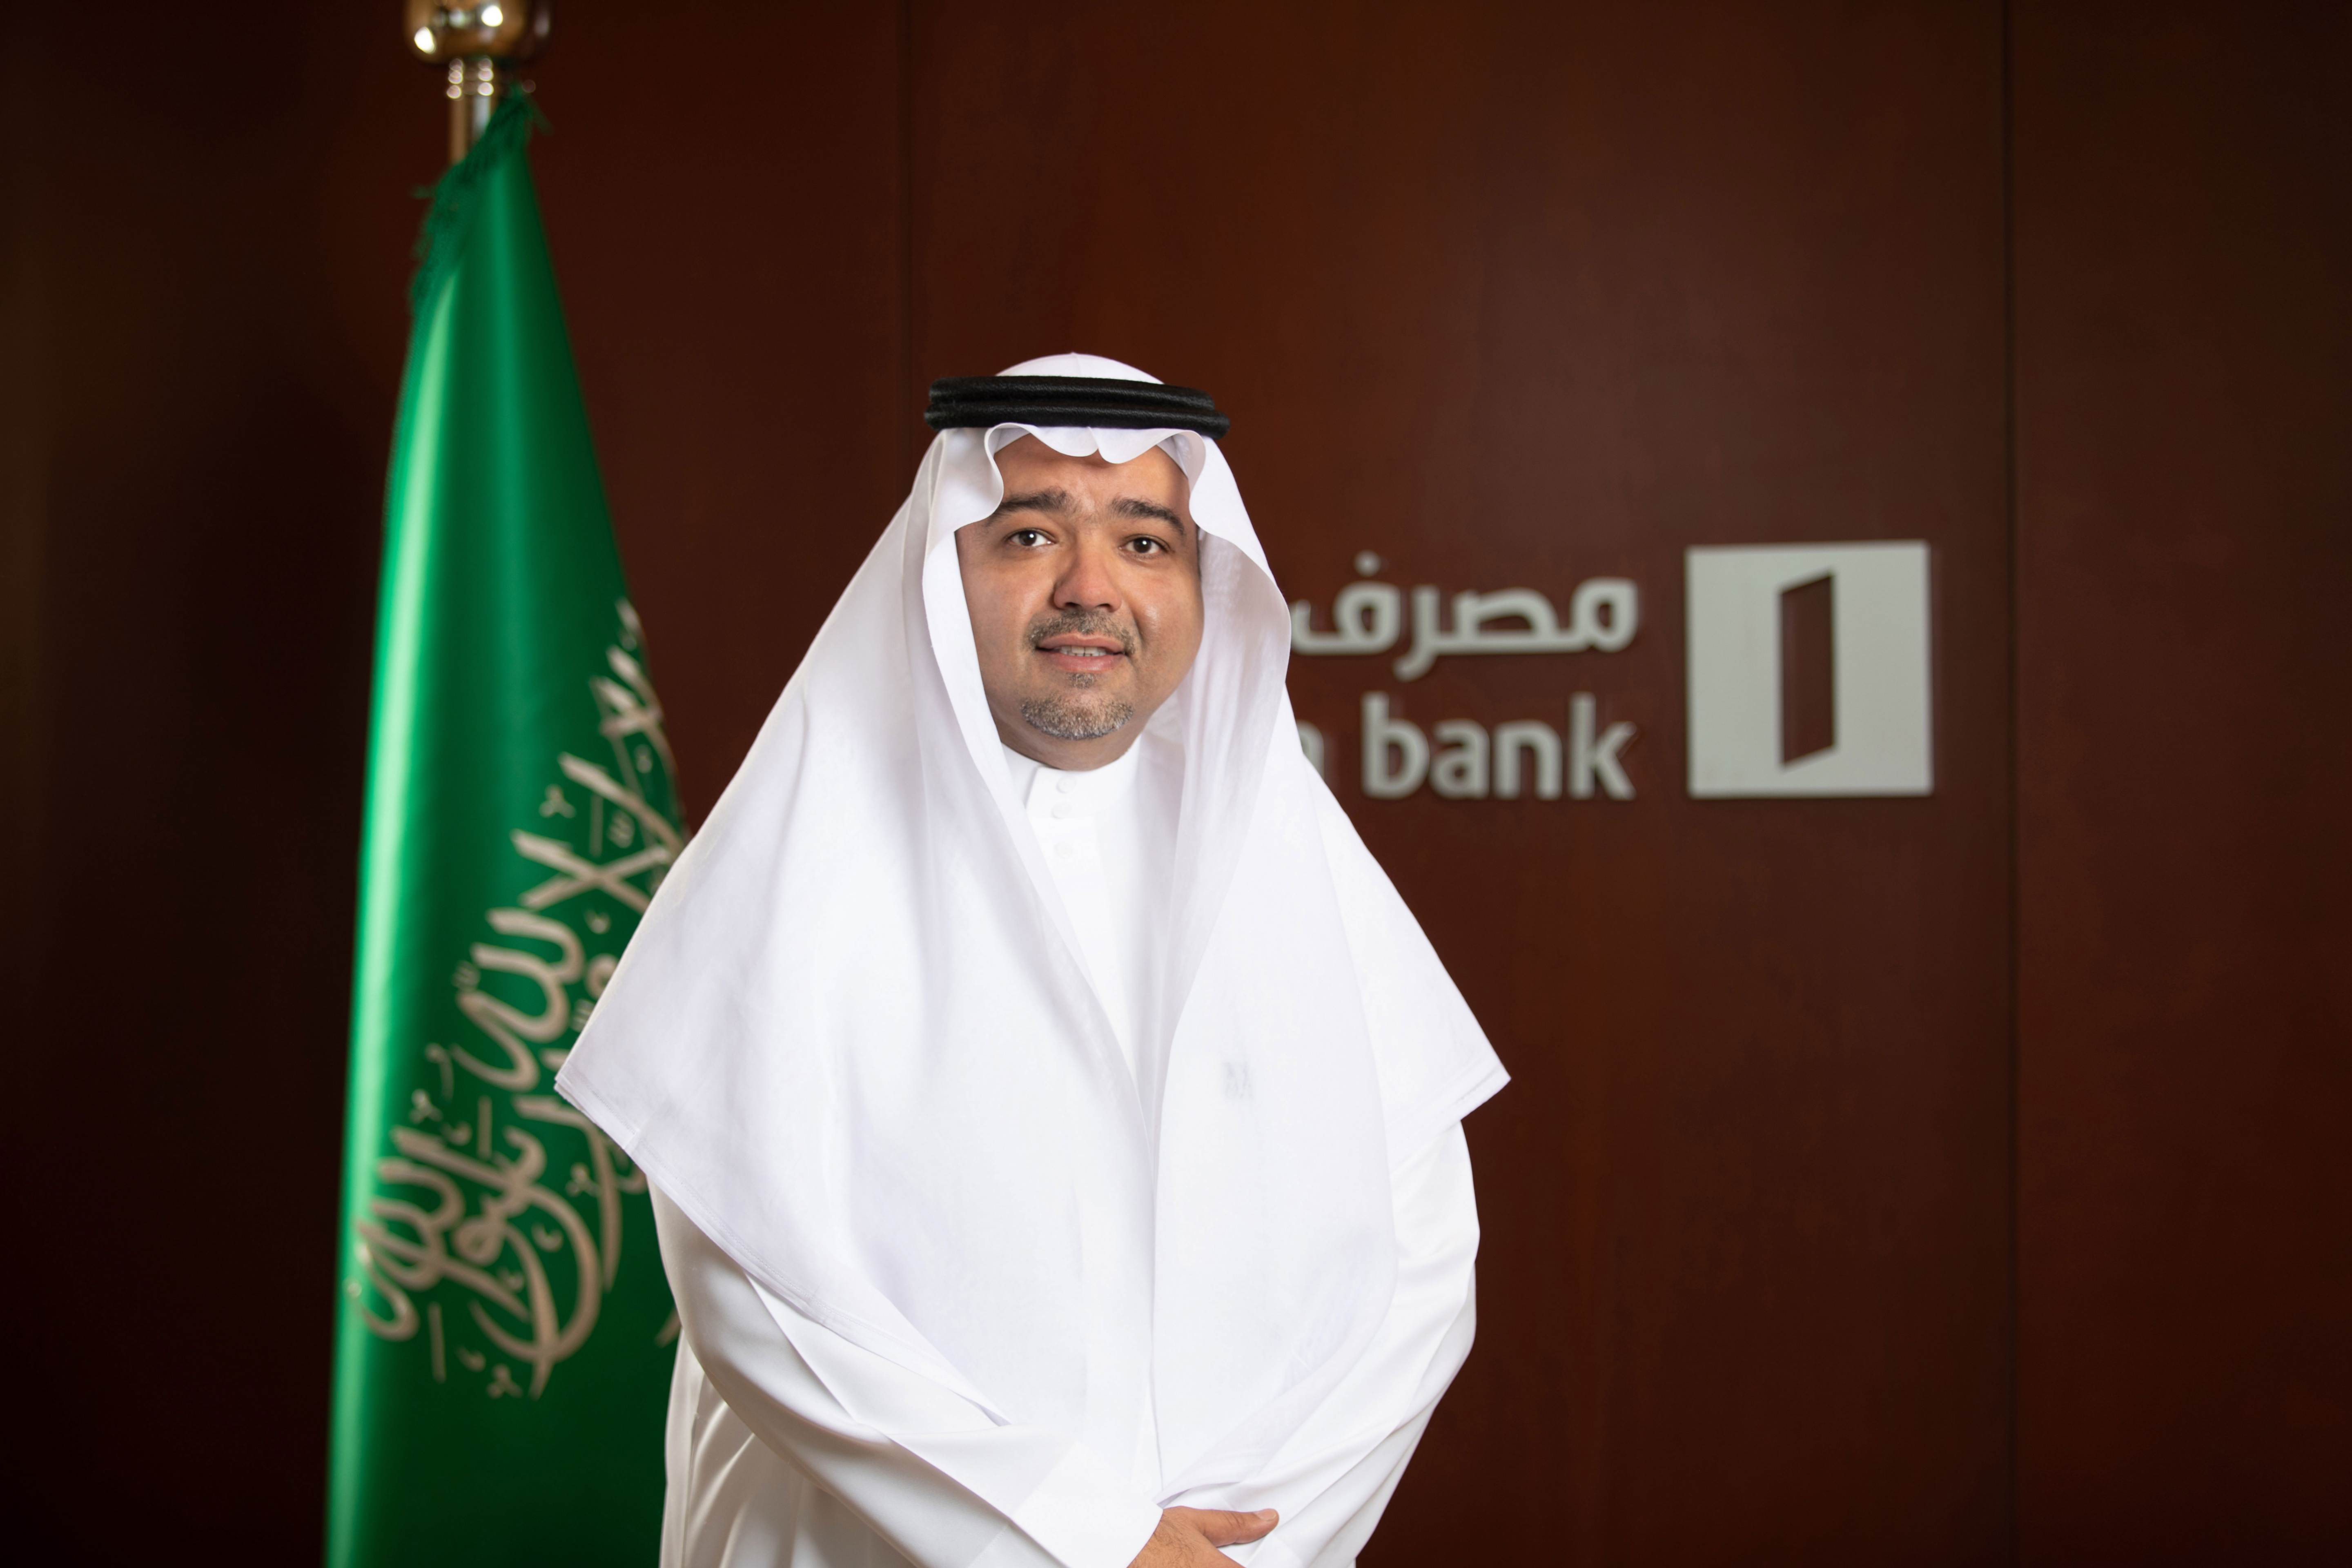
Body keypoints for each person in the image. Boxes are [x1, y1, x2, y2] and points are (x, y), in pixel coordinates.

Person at [558, 354, 1506, 1568]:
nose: (1089, 588)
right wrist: (1094, 1544)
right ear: (941, 569)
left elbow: (1421, 1268)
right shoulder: (798, 854)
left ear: (1203, 586)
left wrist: (1252, 1548)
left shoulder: (1296, 862)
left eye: (1145, 543)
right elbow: (755, 1294)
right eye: (1029, 536)